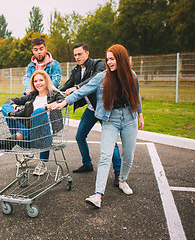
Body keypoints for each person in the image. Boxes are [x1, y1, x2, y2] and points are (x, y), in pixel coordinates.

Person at [53, 44, 144, 208]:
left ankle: (122, 180)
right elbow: (82, 91)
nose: (109, 62)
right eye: (107, 59)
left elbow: (135, 95)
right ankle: (98, 195)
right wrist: (64, 102)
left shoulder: (132, 75)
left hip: (130, 118)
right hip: (110, 119)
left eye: (112, 59)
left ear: (121, 59)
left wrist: (140, 115)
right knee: (105, 156)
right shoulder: (102, 77)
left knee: (128, 155)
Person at [58, 42, 122, 187]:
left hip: (105, 109)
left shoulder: (98, 64)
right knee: (80, 136)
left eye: (79, 54)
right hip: (92, 109)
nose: (77, 57)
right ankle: (87, 164)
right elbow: (67, 85)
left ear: (87, 53)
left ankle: (118, 173)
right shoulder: (75, 70)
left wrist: (77, 87)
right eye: (75, 55)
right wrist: (54, 92)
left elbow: (97, 78)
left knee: (111, 142)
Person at [0, 70, 64, 176]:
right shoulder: (32, 96)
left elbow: (63, 102)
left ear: (46, 81)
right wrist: (16, 108)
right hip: (28, 136)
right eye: (35, 81)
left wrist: (46, 107)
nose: (38, 83)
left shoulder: (54, 95)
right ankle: (18, 116)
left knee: (39, 112)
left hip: (43, 136)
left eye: (41, 80)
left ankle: (13, 139)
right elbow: (9, 100)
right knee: (5, 107)